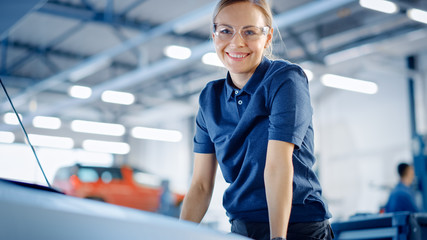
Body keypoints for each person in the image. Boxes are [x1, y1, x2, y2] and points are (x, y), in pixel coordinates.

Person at [180, 0, 333, 239]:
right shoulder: (210, 99)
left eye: (249, 31)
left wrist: (277, 238)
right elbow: (200, 185)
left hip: (296, 226)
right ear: (214, 35)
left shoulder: (285, 80)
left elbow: (277, 166)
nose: (237, 42)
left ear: (268, 37)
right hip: (243, 227)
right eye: (226, 31)